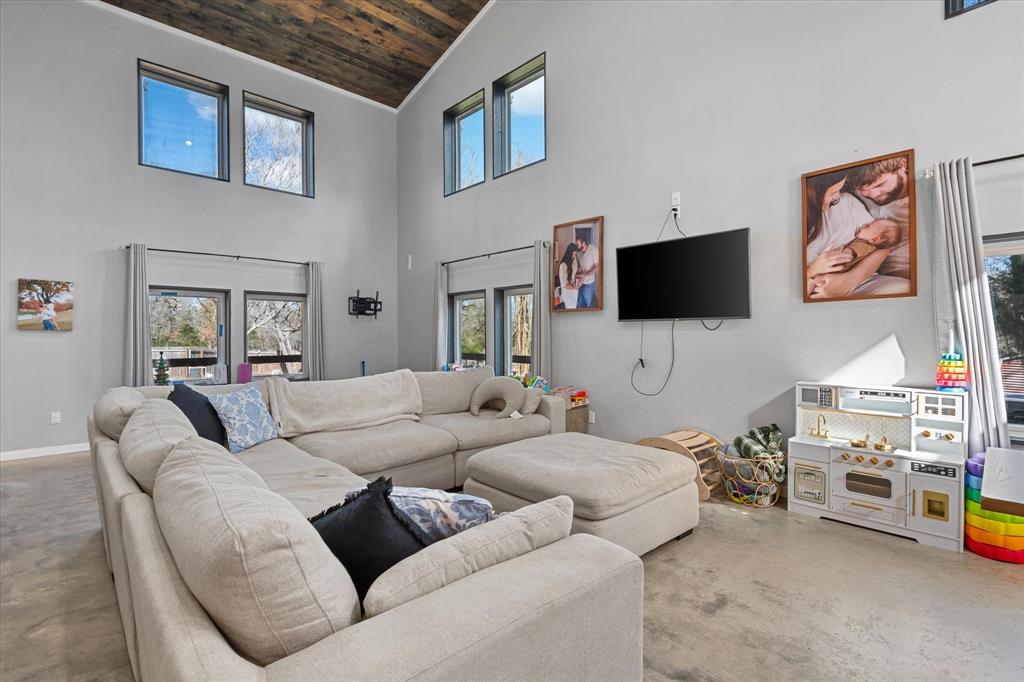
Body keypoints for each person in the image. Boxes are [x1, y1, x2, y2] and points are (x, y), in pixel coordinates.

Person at [574, 229, 599, 308]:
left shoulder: (594, 250)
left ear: (583, 243)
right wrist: (578, 276)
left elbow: (597, 267)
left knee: (587, 305)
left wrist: (585, 274)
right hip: (581, 283)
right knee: (579, 303)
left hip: (589, 283)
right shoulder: (579, 253)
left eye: (578, 244)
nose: (576, 246)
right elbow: (580, 267)